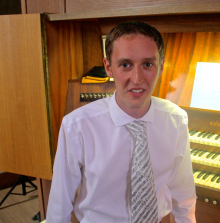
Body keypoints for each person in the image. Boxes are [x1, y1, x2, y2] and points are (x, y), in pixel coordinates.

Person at [46, 21, 196, 222]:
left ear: (160, 66)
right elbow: (60, 203)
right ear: (108, 67)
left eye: (148, 64)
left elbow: (183, 191)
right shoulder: (76, 126)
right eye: (125, 65)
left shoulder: (176, 120)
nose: (137, 78)